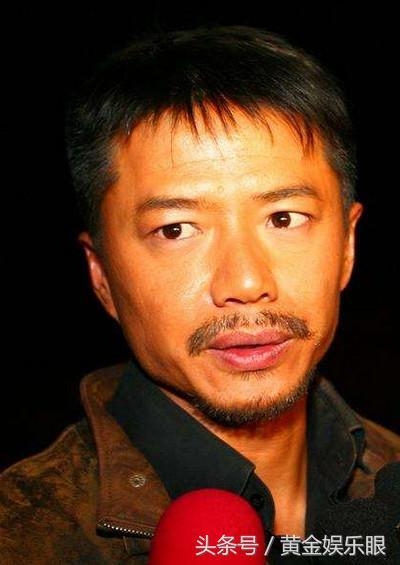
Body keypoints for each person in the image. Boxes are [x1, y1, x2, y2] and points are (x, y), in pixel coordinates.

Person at [1, 25, 399, 564]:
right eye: (175, 230)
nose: (245, 283)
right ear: (101, 275)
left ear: (347, 246)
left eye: (284, 218)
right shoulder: (23, 538)